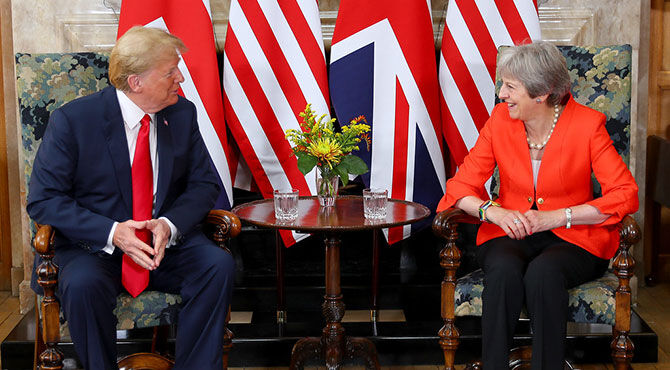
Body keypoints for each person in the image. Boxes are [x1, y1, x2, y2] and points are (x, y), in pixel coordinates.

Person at [27, 26, 234, 370]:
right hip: (94, 247)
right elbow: (43, 200)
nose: (180, 78)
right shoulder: (73, 121)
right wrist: (113, 232)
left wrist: (169, 225)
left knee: (217, 265)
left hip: (163, 247)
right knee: (81, 284)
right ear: (135, 82)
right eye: (170, 71)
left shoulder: (182, 114)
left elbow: (203, 184)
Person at [436, 41, 638, 370]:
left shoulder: (588, 126)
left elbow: (624, 194)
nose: (501, 94)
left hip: (574, 238)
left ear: (540, 94)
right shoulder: (500, 121)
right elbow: (460, 186)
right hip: (509, 233)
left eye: (510, 87)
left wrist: (558, 217)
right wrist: (494, 212)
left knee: (544, 274)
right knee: (502, 272)